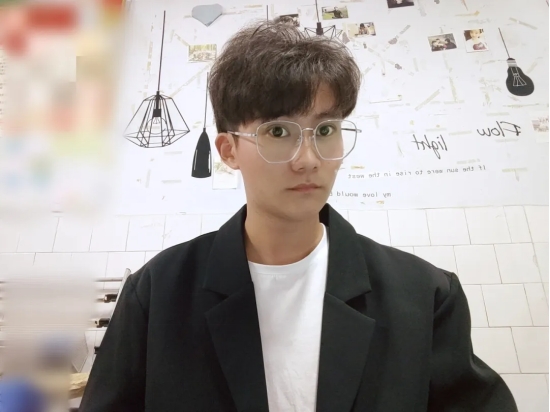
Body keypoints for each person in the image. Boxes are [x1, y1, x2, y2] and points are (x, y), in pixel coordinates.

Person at [79, 21, 518, 412]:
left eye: (325, 130)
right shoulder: (158, 293)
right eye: (277, 131)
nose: (308, 159)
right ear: (229, 151)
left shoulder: (424, 295)